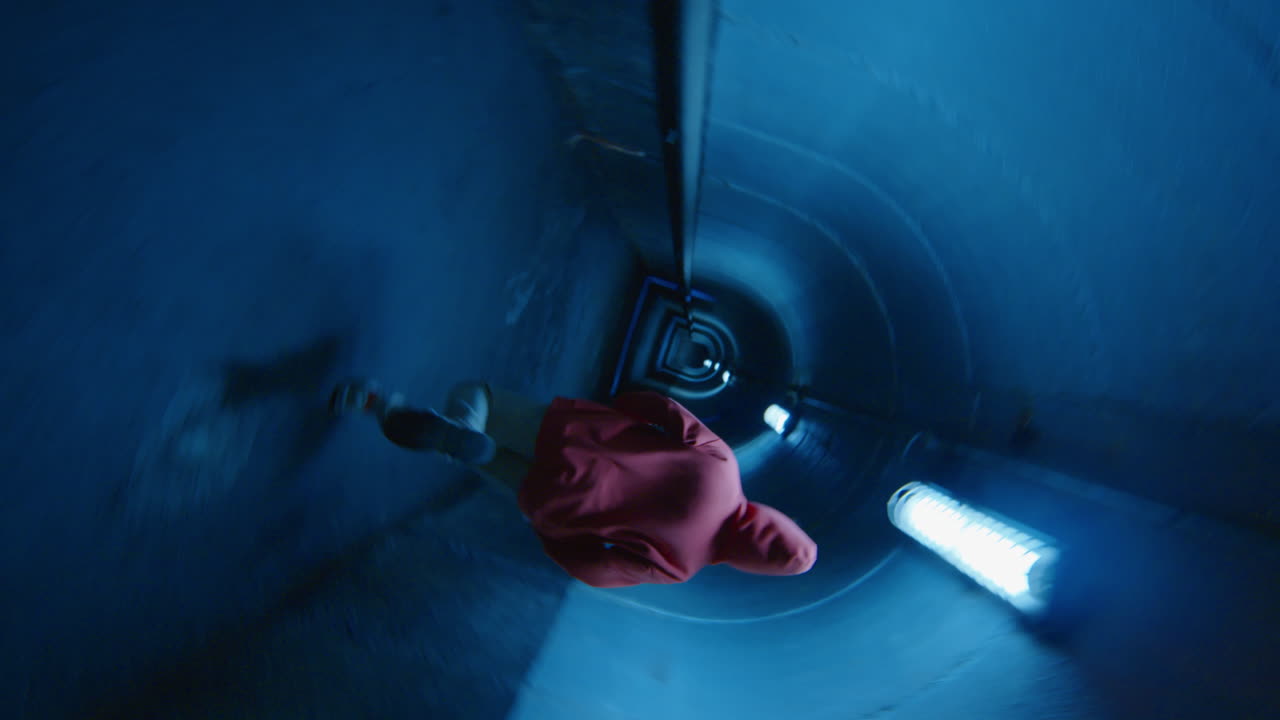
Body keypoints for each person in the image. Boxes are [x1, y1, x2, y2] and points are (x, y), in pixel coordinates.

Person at [330, 379, 818, 588]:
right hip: (553, 501)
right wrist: (553, 535)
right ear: (752, 565)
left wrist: (617, 407)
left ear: (772, 518)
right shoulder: (682, 566)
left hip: (572, 435)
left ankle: (459, 423)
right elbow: (598, 570)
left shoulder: (723, 467)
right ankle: (381, 407)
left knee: (476, 394)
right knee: (480, 459)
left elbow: (663, 411)